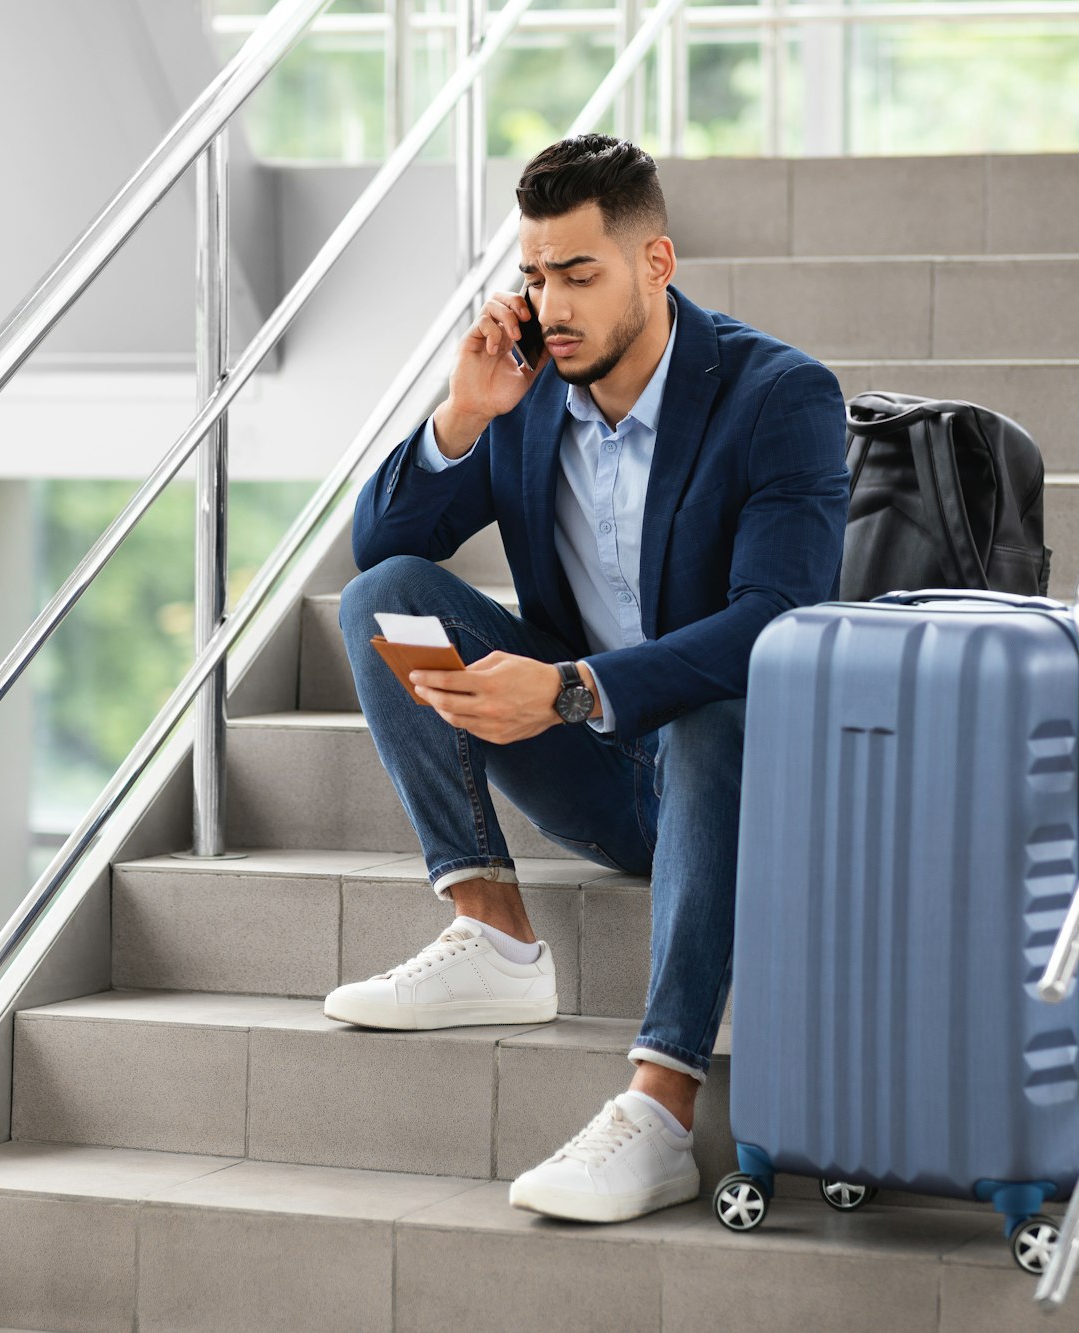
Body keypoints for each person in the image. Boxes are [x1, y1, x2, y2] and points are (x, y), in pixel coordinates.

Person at [328, 133, 848, 1223]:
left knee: (715, 708)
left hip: (738, 785)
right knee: (389, 600)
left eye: (577, 273)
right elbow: (377, 546)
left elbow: (775, 626)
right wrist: (464, 413)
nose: (549, 304)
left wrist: (569, 686)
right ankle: (492, 930)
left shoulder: (776, 396)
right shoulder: (527, 397)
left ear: (654, 263)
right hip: (609, 785)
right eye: (532, 275)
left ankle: (658, 1107)